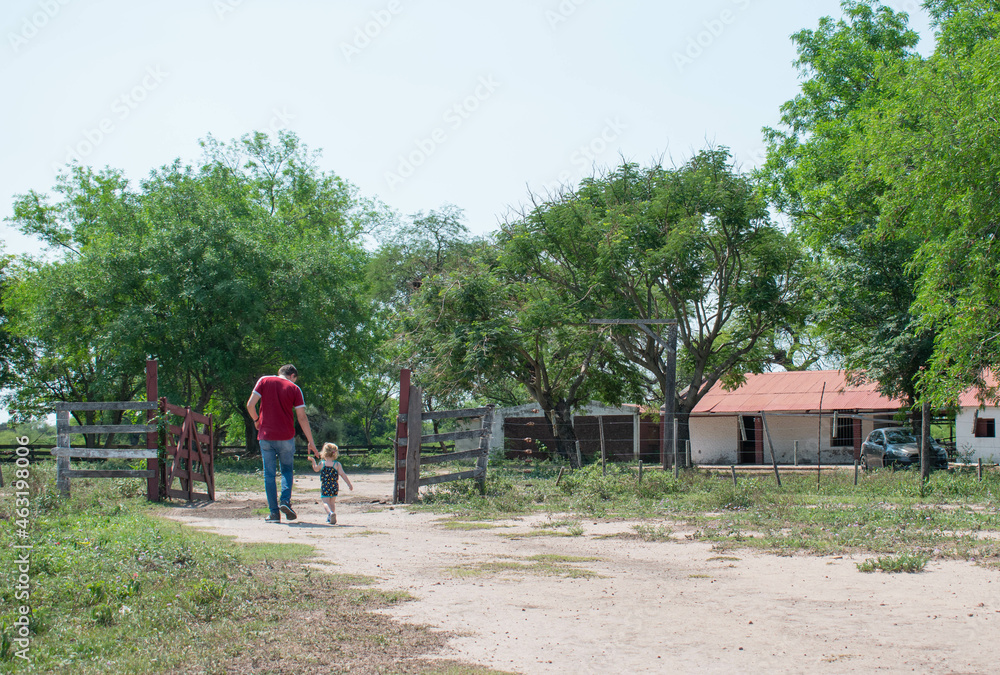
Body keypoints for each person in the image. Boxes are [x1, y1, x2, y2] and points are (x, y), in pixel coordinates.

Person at [246, 364, 317, 523]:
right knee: (286, 470)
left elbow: (250, 405)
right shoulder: (295, 389)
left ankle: (274, 514)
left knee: (269, 475)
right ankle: (285, 501)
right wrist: (310, 442)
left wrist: (257, 420)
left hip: (266, 436)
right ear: (292, 375)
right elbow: (302, 417)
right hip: (286, 437)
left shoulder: (264, 380)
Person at [309, 442, 353, 524]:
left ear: (324, 452)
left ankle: (330, 513)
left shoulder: (322, 463)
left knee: (325, 502)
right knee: (332, 502)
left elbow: (315, 469)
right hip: (334, 485)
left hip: (325, 485)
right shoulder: (337, 464)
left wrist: (313, 461)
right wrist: (349, 484)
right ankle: (331, 517)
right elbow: (343, 474)